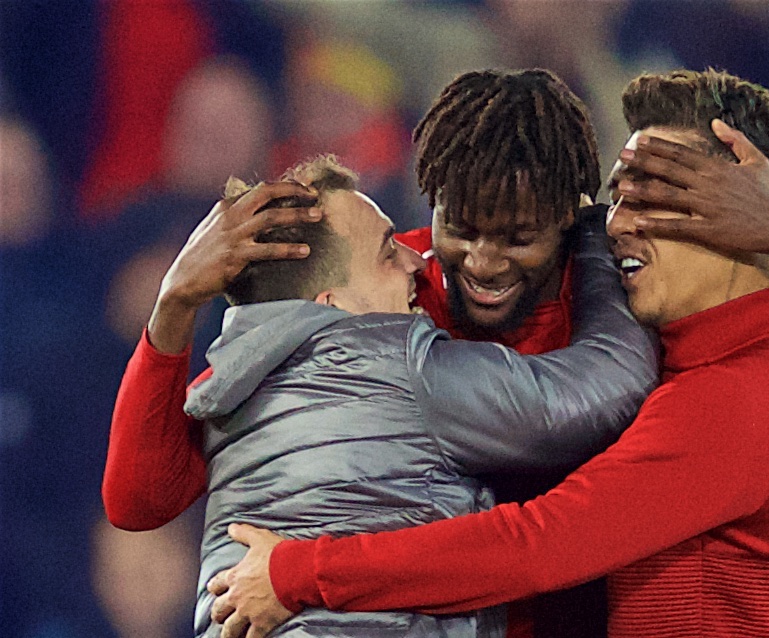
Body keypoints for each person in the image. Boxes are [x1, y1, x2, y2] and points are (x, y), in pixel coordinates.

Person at [103, 69, 769, 638]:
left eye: (516, 238)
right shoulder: (385, 293)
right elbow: (145, 498)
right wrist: (175, 309)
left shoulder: (646, 304)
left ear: (570, 217)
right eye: (458, 228)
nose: (478, 262)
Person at [176, 154, 654, 638]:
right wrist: (595, 235)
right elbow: (610, 382)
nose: (414, 263)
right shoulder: (396, 365)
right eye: (387, 254)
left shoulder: (225, 395)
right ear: (330, 304)